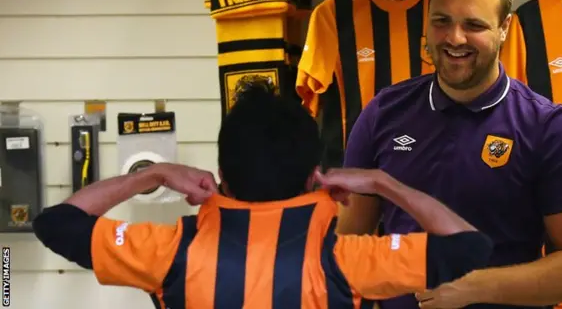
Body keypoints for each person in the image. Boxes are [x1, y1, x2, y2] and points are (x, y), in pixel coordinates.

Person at [32, 79, 493, 309]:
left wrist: (150, 175)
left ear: (221, 176)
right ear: (316, 176)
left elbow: (56, 223)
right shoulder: (346, 260)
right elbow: (469, 245)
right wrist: (379, 182)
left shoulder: (170, 253)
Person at [336, 0, 562, 309]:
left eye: (474, 25)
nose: (455, 38)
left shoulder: (546, 127)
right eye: (442, 21)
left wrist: (479, 287)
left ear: (504, 27)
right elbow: (343, 245)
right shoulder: (383, 114)